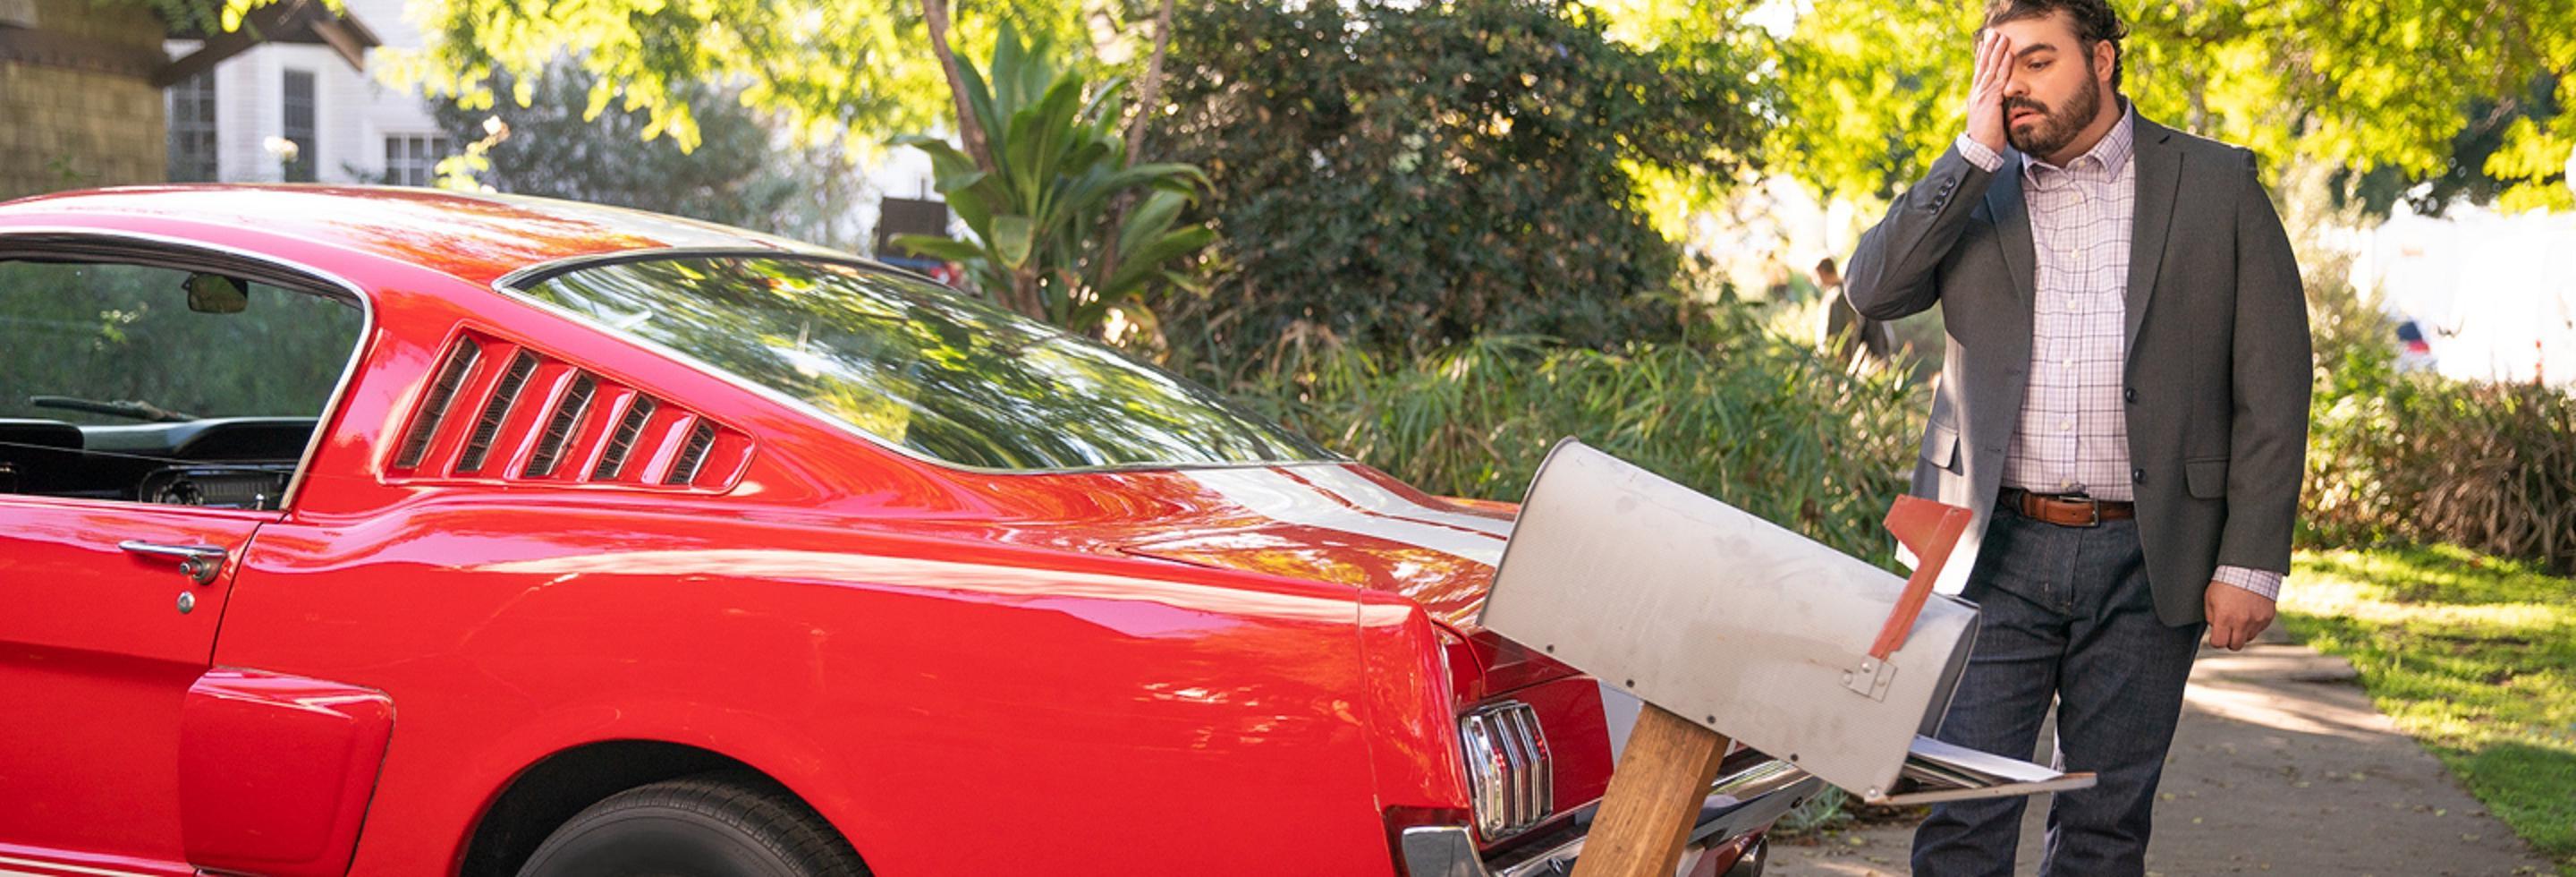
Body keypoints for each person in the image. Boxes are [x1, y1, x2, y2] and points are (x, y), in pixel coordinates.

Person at [1841, 1, 2310, 874]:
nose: (2009, 85)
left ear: (2102, 60)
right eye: (1993, 64)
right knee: (1961, 814)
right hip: (1990, 551)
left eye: (2034, 61)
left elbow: (2275, 386)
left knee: (2104, 824)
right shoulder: (1971, 186)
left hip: (2150, 551)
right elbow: (1872, 288)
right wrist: (1972, 152)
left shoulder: (2216, 184)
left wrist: (2251, 558)